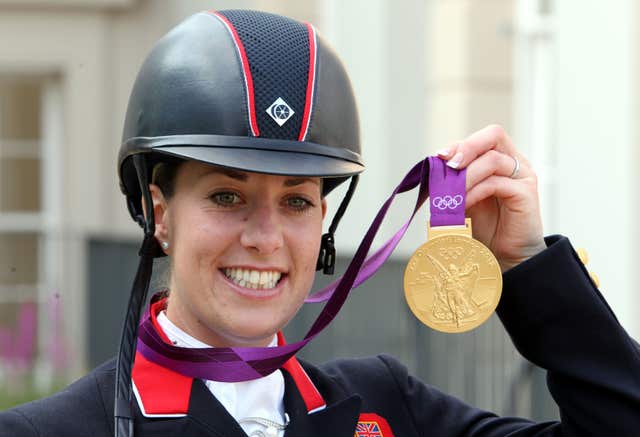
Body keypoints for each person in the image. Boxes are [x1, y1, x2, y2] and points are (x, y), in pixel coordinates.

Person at [1, 9, 639, 437]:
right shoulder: (50, 429)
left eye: (297, 201)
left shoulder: (387, 407)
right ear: (160, 215)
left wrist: (526, 266)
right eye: (227, 196)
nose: (266, 236)